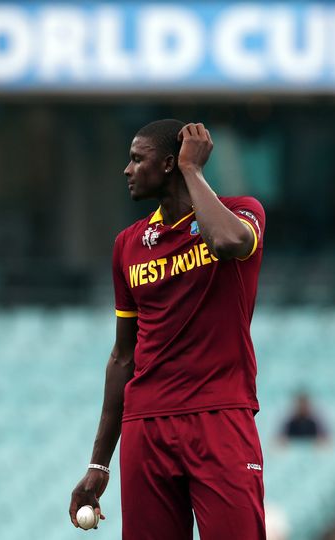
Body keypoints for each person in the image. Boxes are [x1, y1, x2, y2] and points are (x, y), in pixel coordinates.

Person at [68, 120, 266, 539]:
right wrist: (98, 464)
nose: (127, 169)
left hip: (220, 415)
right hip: (147, 424)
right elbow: (123, 355)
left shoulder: (243, 211)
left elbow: (228, 243)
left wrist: (193, 171)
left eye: (138, 159)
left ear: (170, 164)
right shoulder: (128, 244)